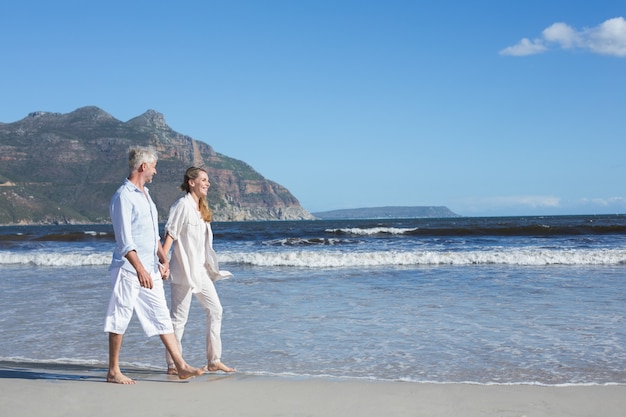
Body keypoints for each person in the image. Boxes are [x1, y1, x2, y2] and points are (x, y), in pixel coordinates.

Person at [104, 147, 206, 384]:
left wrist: (163, 257)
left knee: (161, 316)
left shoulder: (146, 194)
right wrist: (139, 269)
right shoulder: (123, 196)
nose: (155, 171)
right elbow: (124, 240)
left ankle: (180, 366)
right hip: (128, 270)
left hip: (149, 268)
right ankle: (113, 371)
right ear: (143, 167)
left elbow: (151, 234)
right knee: (120, 317)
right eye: (153, 167)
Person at [163, 166, 236, 374]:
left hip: (201, 271)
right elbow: (171, 234)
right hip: (183, 271)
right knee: (179, 319)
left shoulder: (201, 208)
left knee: (215, 310)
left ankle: (214, 360)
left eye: (208, 180)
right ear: (191, 182)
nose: (208, 183)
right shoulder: (182, 206)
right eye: (203, 179)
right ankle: (173, 365)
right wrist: (164, 262)